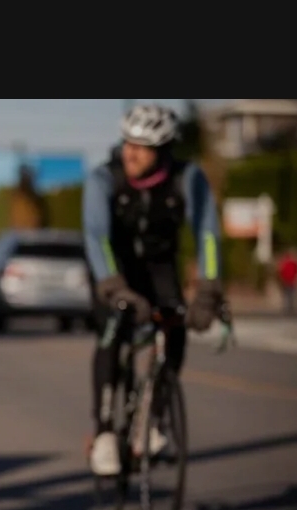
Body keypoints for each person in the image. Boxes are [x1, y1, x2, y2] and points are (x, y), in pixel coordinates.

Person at [82, 104, 227, 476]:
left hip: (160, 267)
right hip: (113, 268)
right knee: (112, 335)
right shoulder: (104, 179)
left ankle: (154, 418)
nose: (132, 152)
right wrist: (115, 288)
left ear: (163, 151)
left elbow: (207, 235)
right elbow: (96, 236)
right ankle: (104, 435)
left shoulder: (187, 178)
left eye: (143, 147)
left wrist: (209, 291)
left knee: (175, 330)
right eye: (128, 142)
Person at [277, 249, 297, 314]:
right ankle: (292, 308)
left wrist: (282, 279)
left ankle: (288, 308)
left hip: (287, 281)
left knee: (287, 296)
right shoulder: (293, 263)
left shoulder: (284, 263)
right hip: (291, 281)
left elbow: (281, 272)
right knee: (292, 295)